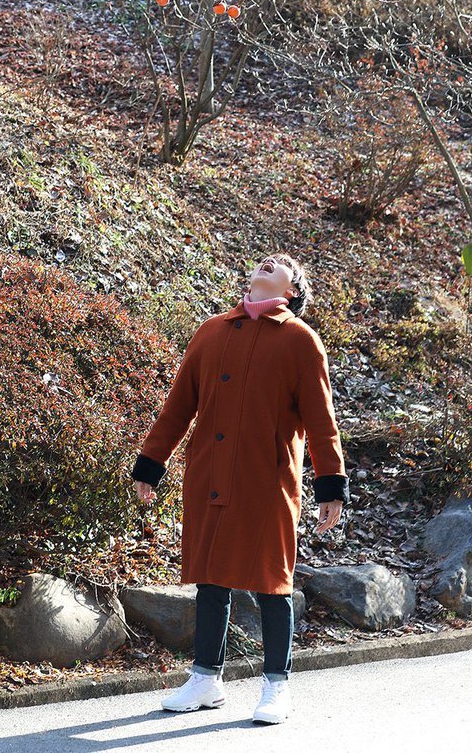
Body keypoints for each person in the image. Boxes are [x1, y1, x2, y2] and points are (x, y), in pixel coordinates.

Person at [131, 253, 350, 725]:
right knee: (211, 579)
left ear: (292, 290)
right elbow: (178, 406)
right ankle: (205, 679)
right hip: (209, 474)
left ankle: (276, 686)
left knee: (273, 582)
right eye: (265, 260)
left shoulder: (300, 340)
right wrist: (151, 463)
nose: (270, 261)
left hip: (267, 480)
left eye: (284, 264)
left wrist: (330, 484)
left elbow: (321, 420)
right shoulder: (211, 331)